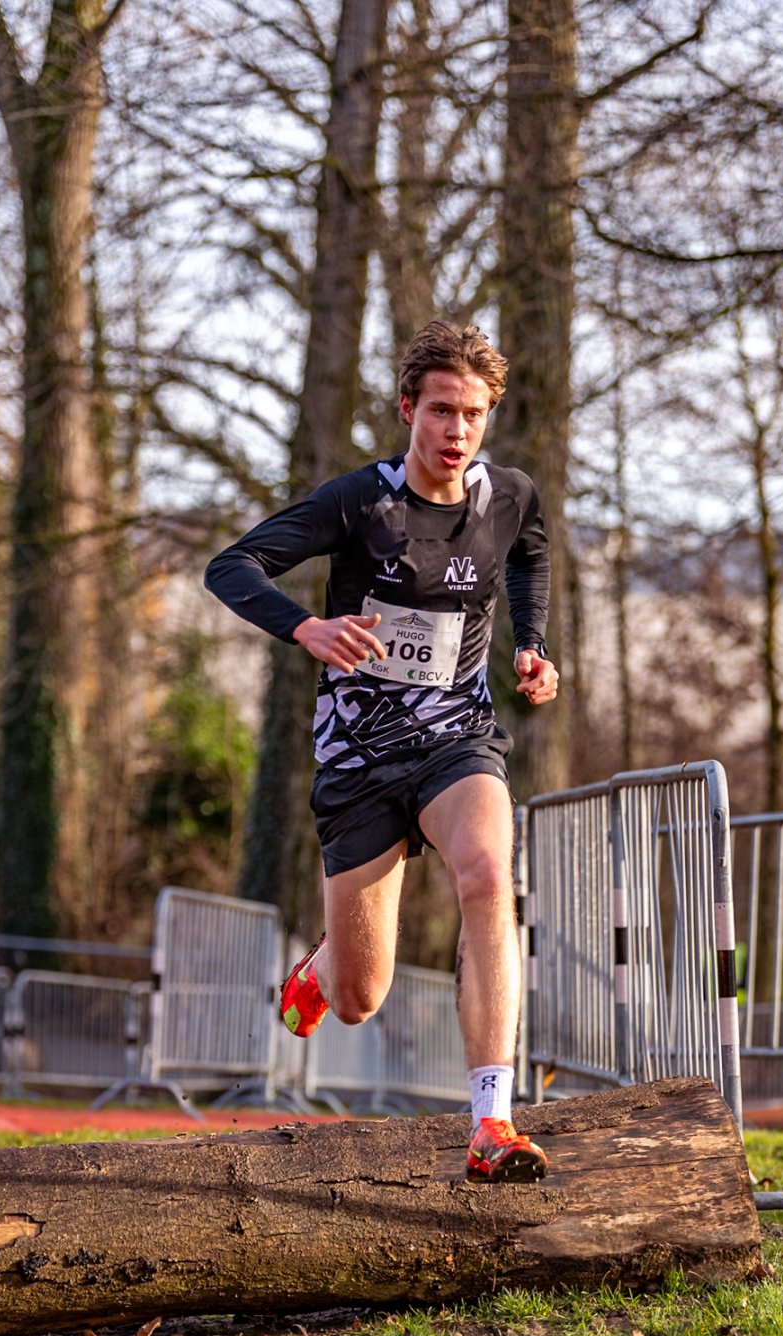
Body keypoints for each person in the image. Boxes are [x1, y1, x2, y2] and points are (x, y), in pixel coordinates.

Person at [204, 320, 559, 1181]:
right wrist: (307, 626)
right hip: (359, 757)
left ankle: (490, 1122)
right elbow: (231, 565)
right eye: (441, 410)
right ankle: (325, 965)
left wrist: (532, 644)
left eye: (473, 414)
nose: (456, 430)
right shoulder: (360, 502)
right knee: (363, 998)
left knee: (486, 873)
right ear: (409, 408)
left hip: (455, 738)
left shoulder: (507, 496)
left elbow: (532, 555)